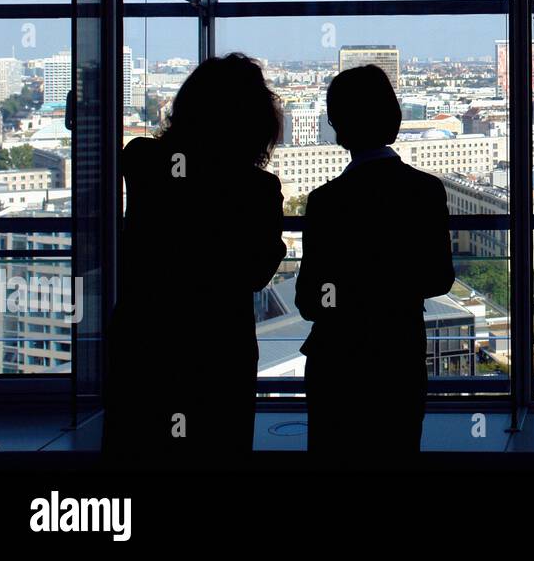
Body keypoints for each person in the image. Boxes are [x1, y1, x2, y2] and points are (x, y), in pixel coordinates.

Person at [103, 53, 286, 467]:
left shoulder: (143, 160)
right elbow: (255, 273)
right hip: (217, 350)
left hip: (144, 341)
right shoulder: (257, 189)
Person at [295, 64, 454, 466]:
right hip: (398, 360)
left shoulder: (325, 202)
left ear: (338, 128)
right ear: (395, 120)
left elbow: (309, 301)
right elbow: (439, 278)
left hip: (337, 365)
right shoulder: (425, 191)